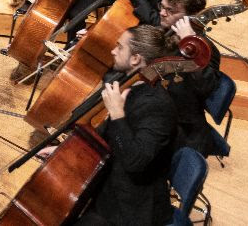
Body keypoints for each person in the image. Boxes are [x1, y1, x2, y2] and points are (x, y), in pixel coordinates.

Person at [39, 24, 177, 226]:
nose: (113, 51)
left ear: (136, 59)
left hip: (129, 208)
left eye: (120, 47)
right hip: (109, 182)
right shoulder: (131, 86)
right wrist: (66, 152)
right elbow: (104, 134)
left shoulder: (157, 105)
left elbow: (136, 161)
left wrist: (117, 114)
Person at [155, 0, 222, 157]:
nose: (163, 13)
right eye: (162, 7)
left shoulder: (205, 48)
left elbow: (205, 87)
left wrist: (191, 45)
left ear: (191, 17)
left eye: (170, 10)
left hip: (180, 128)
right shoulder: (166, 33)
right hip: (158, 111)